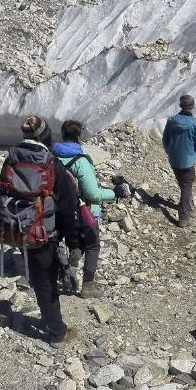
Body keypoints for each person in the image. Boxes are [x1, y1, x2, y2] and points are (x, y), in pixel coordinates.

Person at [0, 116, 80, 345]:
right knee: (47, 281)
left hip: (18, 227)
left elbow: (2, 193)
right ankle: (56, 331)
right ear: (45, 135)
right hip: (45, 233)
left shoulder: (12, 160)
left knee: (39, 278)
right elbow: (67, 206)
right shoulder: (52, 165)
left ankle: (48, 318)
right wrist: (73, 241)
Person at [52, 120, 130, 299]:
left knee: (76, 243)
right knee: (93, 245)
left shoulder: (52, 158)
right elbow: (93, 193)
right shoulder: (80, 162)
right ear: (79, 137)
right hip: (83, 212)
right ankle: (88, 285)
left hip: (61, 212)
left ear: (63, 135)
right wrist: (115, 193)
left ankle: (68, 269)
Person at [162, 94, 196, 227]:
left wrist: (170, 152)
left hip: (174, 159)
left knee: (183, 183)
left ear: (181, 106)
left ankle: (186, 204)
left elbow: (165, 140)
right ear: (192, 106)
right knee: (187, 186)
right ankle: (184, 215)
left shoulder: (171, 121)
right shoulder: (195, 123)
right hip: (187, 160)